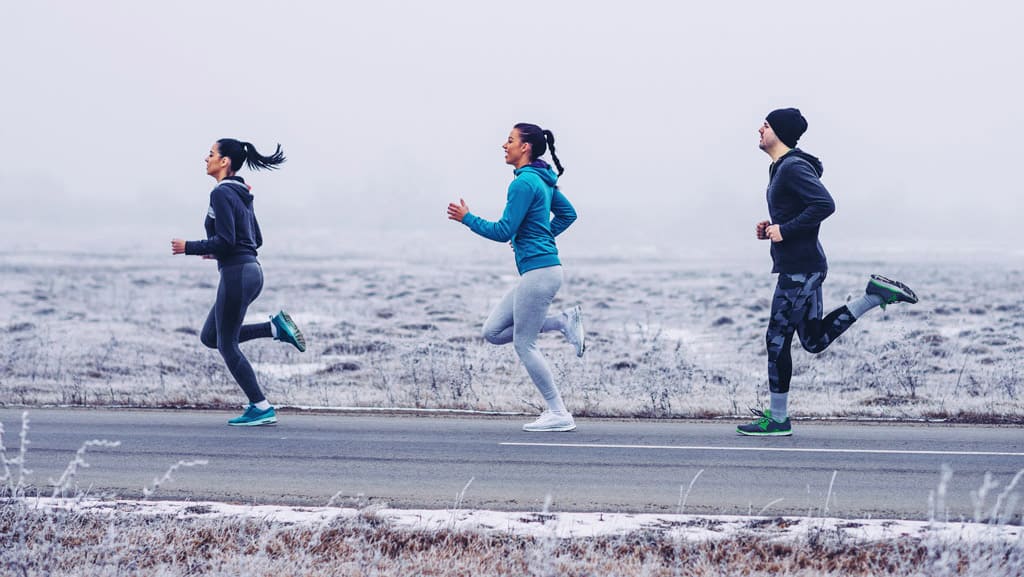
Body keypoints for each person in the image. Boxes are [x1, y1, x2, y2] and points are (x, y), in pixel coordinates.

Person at [738, 108, 919, 436]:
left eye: (765, 125)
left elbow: (824, 204)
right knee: (813, 339)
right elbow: (798, 211)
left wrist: (787, 230)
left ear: (779, 131)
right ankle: (873, 296)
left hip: (800, 270)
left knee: (776, 339)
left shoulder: (791, 167)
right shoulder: (780, 168)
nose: (759, 129)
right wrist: (771, 228)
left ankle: (778, 419)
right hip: (803, 266)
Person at [447, 123, 585, 432]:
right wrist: (539, 235)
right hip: (541, 270)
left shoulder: (524, 183)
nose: (504, 145)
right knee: (493, 332)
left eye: (510, 140)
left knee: (525, 344)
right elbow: (568, 215)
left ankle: (558, 412)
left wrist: (466, 218)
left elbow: (502, 231)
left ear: (525, 147)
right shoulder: (542, 179)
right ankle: (563, 322)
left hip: (540, 271)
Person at [171, 138, 306, 426]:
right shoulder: (241, 193)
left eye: (210, 154)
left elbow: (228, 240)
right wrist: (215, 250)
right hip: (251, 271)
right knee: (211, 337)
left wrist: (190, 247)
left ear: (224, 162)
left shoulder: (221, 194)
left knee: (227, 345)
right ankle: (274, 327)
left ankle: (261, 407)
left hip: (236, 274)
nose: (205, 158)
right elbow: (255, 240)